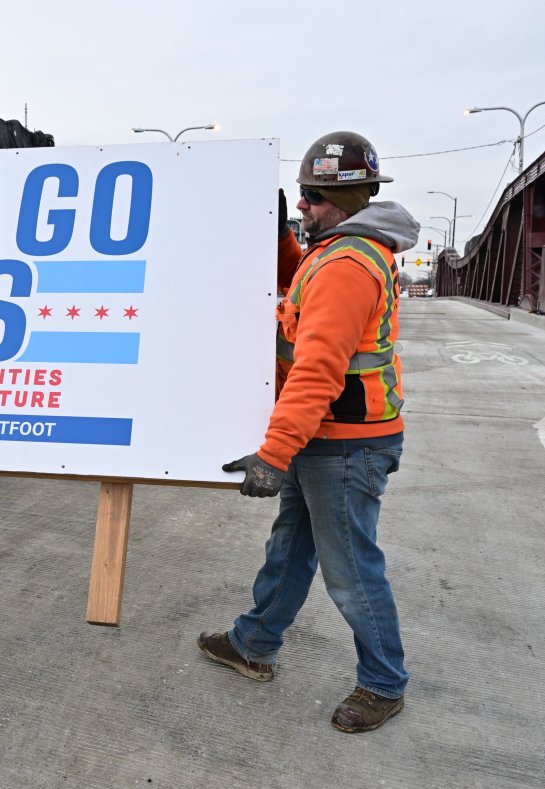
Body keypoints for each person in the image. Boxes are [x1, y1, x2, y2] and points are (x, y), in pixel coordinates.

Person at [198, 131, 419, 733]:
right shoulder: (337, 251)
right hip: (329, 436)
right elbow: (304, 286)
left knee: (351, 569)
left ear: (354, 199)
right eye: (301, 195)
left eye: (315, 199)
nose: (304, 207)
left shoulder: (349, 263)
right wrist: (276, 239)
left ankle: (383, 683)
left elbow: (318, 369)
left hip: (346, 442)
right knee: (291, 546)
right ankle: (253, 643)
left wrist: (273, 455)